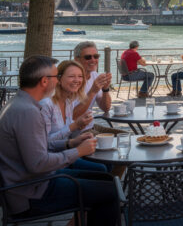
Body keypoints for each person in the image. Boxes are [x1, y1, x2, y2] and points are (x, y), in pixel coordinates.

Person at [0, 55, 119, 225]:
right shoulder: (28, 112)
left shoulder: (20, 104)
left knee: (105, 179)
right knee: (109, 193)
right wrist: (78, 152)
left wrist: (70, 143)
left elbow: (40, 146)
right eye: (56, 77)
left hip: (34, 181)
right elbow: (38, 163)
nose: (57, 81)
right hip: (30, 193)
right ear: (44, 81)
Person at [40, 60, 107, 173]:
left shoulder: (68, 101)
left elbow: (68, 136)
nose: (77, 80)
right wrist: (74, 126)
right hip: (51, 165)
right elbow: (44, 144)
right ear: (59, 79)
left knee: (106, 164)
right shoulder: (46, 104)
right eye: (71, 76)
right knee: (101, 170)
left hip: (65, 155)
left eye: (80, 76)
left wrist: (79, 132)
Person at [71, 41, 112, 130]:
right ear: (76, 59)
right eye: (88, 57)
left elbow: (106, 108)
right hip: (74, 132)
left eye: (96, 56)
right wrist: (93, 91)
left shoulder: (94, 75)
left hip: (90, 128)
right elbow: (72, 115)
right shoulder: (71, 80)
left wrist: (105, 89)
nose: (93, 60)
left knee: (126, 136)